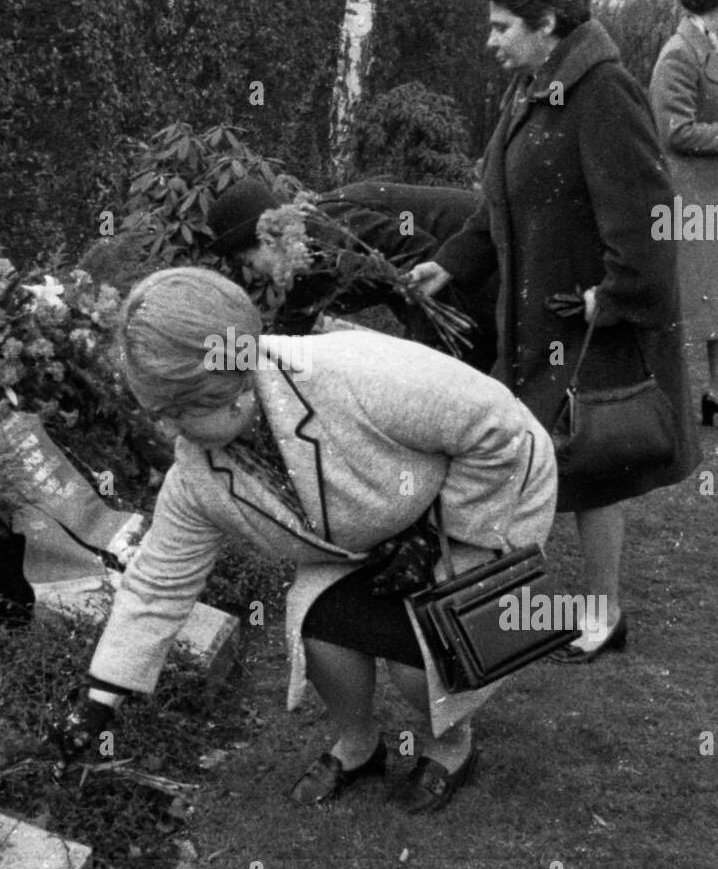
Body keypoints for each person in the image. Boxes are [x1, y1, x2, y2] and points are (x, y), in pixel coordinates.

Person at [73, 266, 557, 812]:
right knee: (320, 630)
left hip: (493, 493)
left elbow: (499, 430)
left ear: (227, 387)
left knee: (419, 655)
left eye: (176, 413)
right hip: (375, 535)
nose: (167, 432)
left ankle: (451, 744)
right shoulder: (198, 477)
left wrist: (440, 530)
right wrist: (99, 698)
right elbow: (158, 582)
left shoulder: (352, 375)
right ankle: (359, 744)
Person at [409, 0, 700, 664]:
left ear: (547, 23)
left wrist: (614, 295)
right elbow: (496, 202)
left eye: (502, 26)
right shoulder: (531, 87)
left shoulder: (604, 94)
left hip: (586, 328)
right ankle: (513, 600)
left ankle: (600, 614)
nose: (490, 39)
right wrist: (448, 266)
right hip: (532, 322)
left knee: (592, 467)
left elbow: (646, 222)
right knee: (538, 462)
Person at [206, 177, 498, 371]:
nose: (251, 274)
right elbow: (289, 335)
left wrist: (425, 357)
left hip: (489, 252)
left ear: (268, 238)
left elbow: (420, 254)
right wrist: (232, 363)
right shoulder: (302, 257)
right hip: (454, 284)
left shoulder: (330, 229)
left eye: (247, 261)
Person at [649, 0, 718, 425]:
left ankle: (714, 394)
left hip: (712, 195)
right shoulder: (679, 52)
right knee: (689, 306)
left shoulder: (711, 45)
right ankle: (657, 403)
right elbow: (673, 130)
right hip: (689, 200)